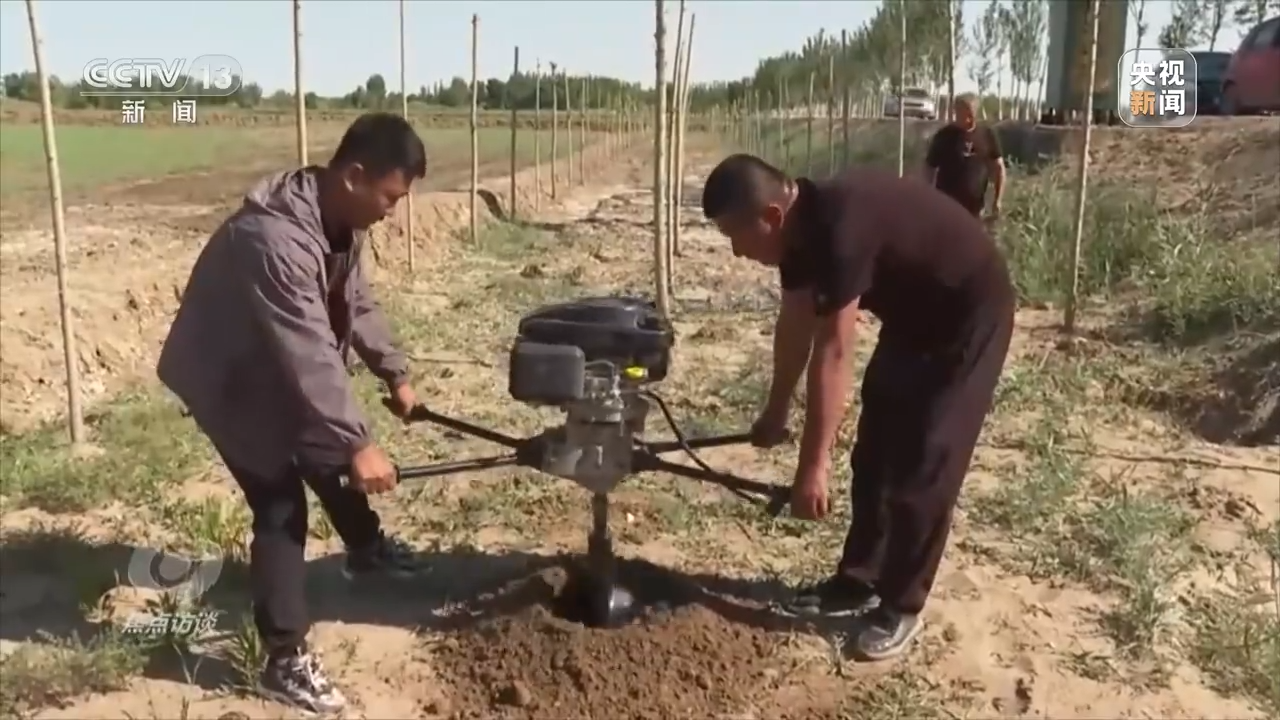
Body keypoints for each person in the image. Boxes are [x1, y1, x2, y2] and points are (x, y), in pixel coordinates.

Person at [157, 112, 429, 714]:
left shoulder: (340, 222)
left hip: (270, 362)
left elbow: (355, 302)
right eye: (390, 196)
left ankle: (365, 548)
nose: (393, 211)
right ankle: (284, 660)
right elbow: (308, 349)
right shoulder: (274, 238)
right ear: (355, 176)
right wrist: (361, 440)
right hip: (227, 377)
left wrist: (395, 372)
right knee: (281, 503)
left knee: (328, 448)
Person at [700, 154, 1015, 662]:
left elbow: (835, 348)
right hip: (914, 317)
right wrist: (777, 410)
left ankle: (901, 605)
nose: (736, 252)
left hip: (968, 310)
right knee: (877, 449)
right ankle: (859, 579)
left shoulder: (841, 226)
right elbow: (795, 326)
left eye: (736, 235)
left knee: (926, 459)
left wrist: (812, 468)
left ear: (773, 217)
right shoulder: (798, 237)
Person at [923, 93, 1006, 220]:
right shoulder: (944, 136)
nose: (967, 120)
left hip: (975, 210)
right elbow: (929, 169)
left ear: (975, 113)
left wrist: (997, 200)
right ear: (956, 113)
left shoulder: (987, 135)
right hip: (946, 207)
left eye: (970, 115)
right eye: (962, 115)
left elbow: (999, 168)